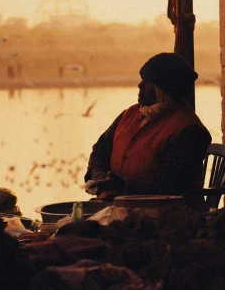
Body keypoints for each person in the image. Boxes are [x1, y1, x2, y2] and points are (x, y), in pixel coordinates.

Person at [85, 53, 211, 206]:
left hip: (167, 216)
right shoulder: (129, 114)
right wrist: (99, 176)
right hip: (118, 206)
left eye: (147, 81)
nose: (140, 85)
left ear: (163, 89)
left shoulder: (189, 130)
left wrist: (122, 186)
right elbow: (100, 150)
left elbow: (169, 186)